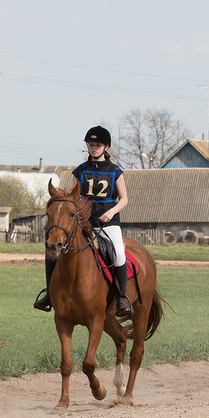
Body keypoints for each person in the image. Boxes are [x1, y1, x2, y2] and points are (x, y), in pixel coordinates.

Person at [33, 125, 133, 318]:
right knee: (52, 253)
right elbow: (72, 196)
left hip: (107, 223)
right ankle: (49, 295)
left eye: (98, 145)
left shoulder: (115, 171)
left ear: (106, 147)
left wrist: (111, 213)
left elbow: (124, 199)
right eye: (91, 144)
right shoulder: (80, 171)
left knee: (119, 254)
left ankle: (121, 298)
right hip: (84, 224)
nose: (94, 148)